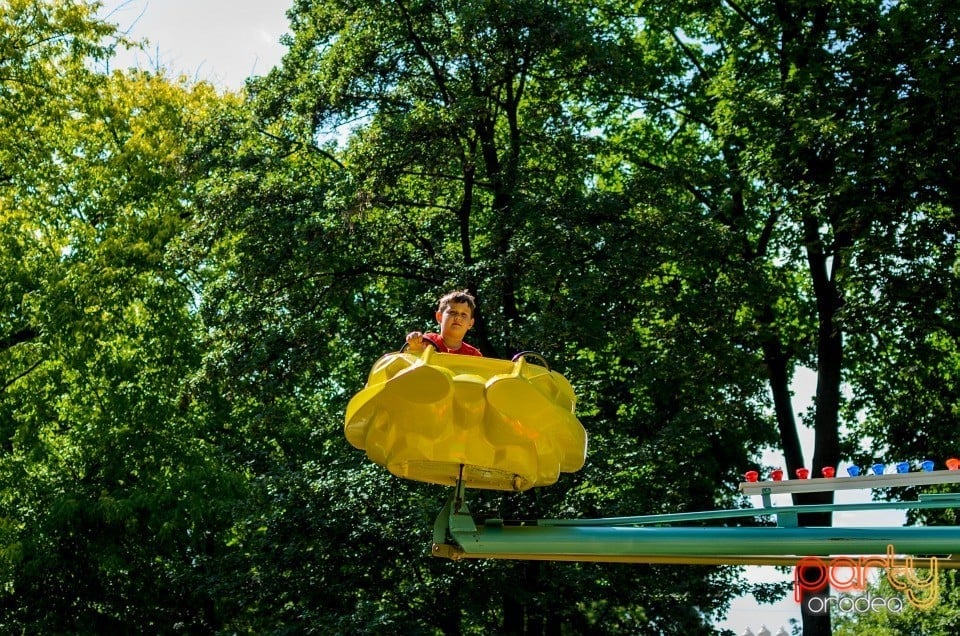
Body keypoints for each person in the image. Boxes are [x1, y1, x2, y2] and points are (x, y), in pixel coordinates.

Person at [405, 290, 482, 356]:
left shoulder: (474, 355)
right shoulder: (426, 342)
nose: (458, 317)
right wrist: (414, 343)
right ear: (439, 317)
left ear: (470, 323)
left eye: (463, 314)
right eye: (452, 312)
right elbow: (411, 360)